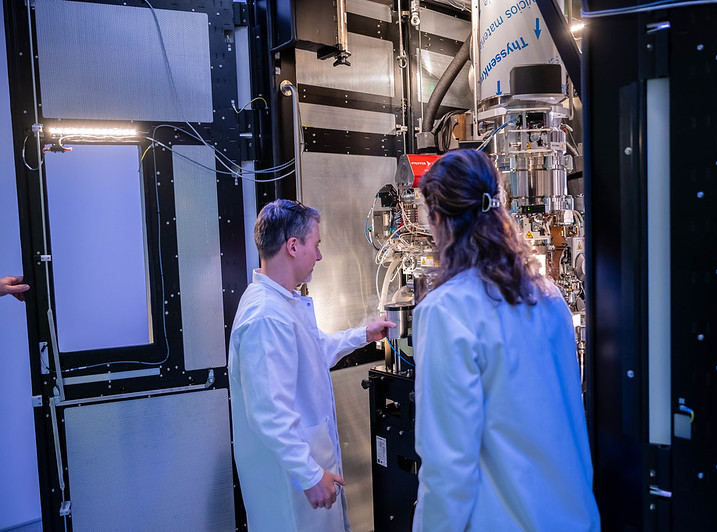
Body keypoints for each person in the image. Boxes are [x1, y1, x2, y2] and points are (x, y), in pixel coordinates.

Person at [411, 150, 600, 531]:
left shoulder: (446, 311)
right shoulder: (548, 296)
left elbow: (447, 470)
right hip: (573, 517)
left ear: (438, 220)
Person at [228, 199, 395, 532]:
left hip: (307, 474)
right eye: (315, 245)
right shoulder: (266, 316)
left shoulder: (282, 303)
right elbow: (269, 414)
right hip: (289, 490)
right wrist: (308, 473)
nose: (319, 255)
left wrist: (364, 334)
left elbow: (316, 350)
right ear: (293, 246)